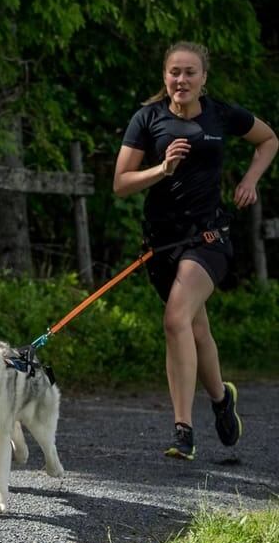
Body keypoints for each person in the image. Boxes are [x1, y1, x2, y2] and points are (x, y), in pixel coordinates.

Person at [114, 41, 277, 460]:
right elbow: (121, 183)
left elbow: (269, 140)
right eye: (174, 72)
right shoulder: (146, 119)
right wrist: (161, 169)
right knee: (195, 329)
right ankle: (223, 400)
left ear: (204, 78)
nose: (181, 80)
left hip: (208, 239)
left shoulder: (222, 114)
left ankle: (183, 430)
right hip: (161, 243)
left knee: (174, 320)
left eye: (190, 72)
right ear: (165, 77)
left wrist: (250, 180)